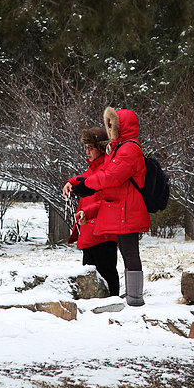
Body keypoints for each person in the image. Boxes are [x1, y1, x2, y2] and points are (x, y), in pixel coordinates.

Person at [70, 107, 150, 306]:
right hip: (122, 207)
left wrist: (86, 185)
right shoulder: (119, 149)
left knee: (130, 252)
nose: (110, 129)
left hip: (129, 209)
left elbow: (111, 177)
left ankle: (135, 297)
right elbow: (104, 177)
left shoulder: (129, 149)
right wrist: (85, 194)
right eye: (108, 125)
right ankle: (132, 295)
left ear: (122, 126)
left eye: (112, 125)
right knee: (126, 250)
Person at [62, 127, 120, 297]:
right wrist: (71, 182)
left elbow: (106, 199)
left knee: (107, 275)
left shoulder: (107, 169)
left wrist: (87, 212)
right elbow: (85, 177)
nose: (86, 152)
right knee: (91, 277)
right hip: (89, 231)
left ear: (100, 148)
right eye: (85, 147)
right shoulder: (95, 168)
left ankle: (113, 306)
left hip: (102, 232)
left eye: (90, 147)